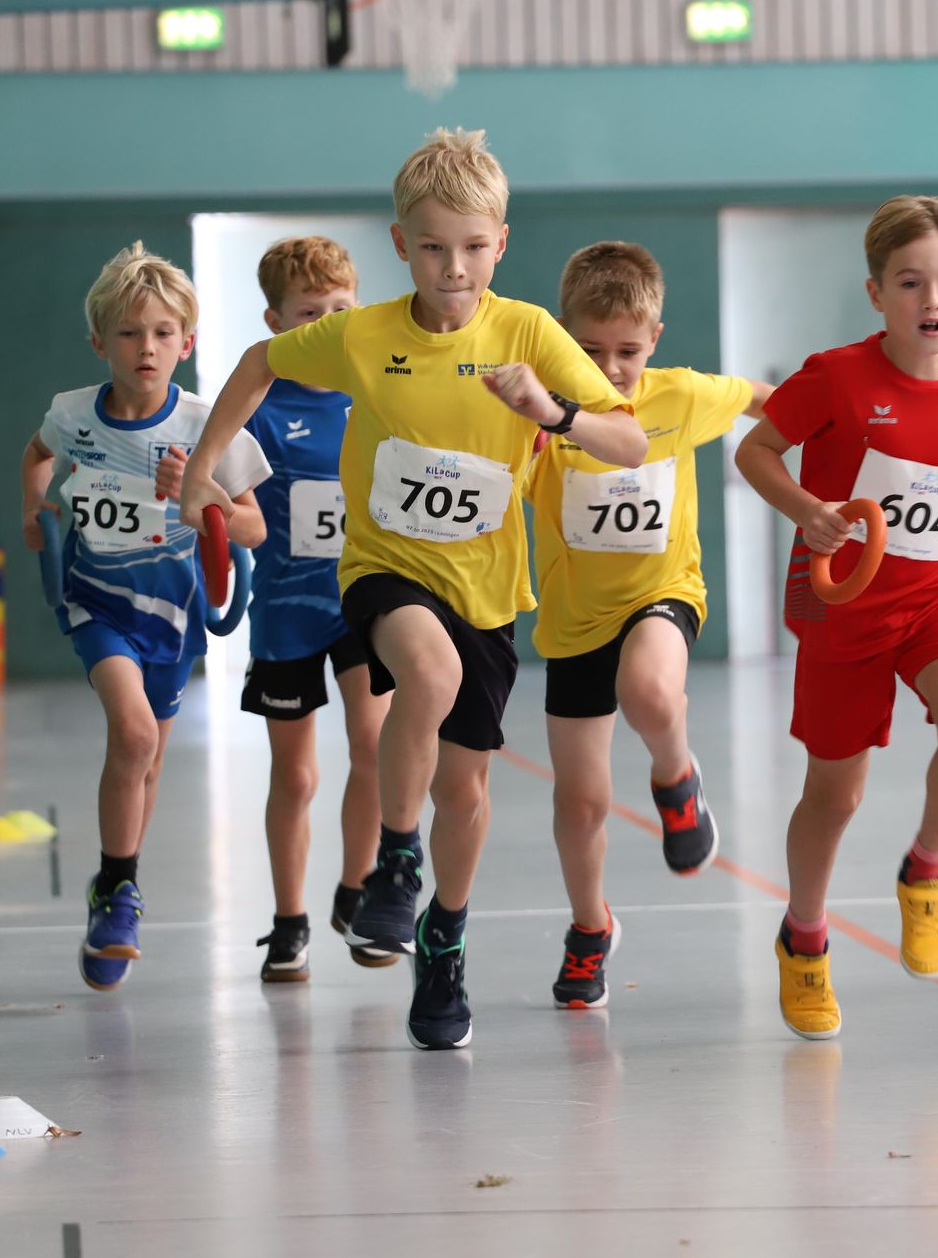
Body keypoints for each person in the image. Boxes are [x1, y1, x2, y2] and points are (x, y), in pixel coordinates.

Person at [176, 129, 645, 1049]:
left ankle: (445, 934)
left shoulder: (528, 333)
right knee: (425, 674)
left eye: (472, 247)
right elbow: (260, 363)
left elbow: (627, 440)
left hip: (486, 590)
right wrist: (202, 470)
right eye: (432, 247)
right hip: (385, 568)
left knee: (464, 793)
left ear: (500, 243)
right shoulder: (364, 334)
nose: (453, 267)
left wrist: (552, 411)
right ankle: (395, 860)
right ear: (400, 244)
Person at [736, 196, 938, 1040]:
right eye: (910, 282)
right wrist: (806, 509)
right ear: (876, 292)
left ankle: (925, 871)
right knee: (835, 794)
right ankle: (804, 937)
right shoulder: (836, 377)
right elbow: (756, 449)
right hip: (846, 604)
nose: (932, 298)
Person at [20, 242, 270, 991]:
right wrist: (36, 509)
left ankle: (115, 884)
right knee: (131, 734)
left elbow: (254, 527)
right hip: (97, 603)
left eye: (163, 332)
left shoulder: (206, 426)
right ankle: (119, 889)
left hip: (174, 615)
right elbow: (37, 454)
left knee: (148, 757)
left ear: (186, 342)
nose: (147, 348)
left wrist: (200, 493)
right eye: (129, 333)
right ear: (100, 342)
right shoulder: (73, 414)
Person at [527, 241, 771, 1008]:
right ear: (563, 339)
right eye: (590, 350)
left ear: (654, 339)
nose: (610, 368)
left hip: (662, 592)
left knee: (651, 691)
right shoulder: (541, 415)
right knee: (580, 803)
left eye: (627, 351)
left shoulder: (681, 395)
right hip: (575, 622)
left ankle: (676, 777)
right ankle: (590, 926)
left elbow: (768, 401)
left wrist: (844, 430)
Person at [225, 236, 388, 982]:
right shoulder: (258, 408)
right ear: (276, 322)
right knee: (295, 776)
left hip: (363, 601)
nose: (327, 325)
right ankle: (289, 920)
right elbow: (242, 515)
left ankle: (357, 888)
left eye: (340, 310)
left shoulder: (378, 393)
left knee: (376, 746)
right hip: (287, 612)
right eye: (308, 314)